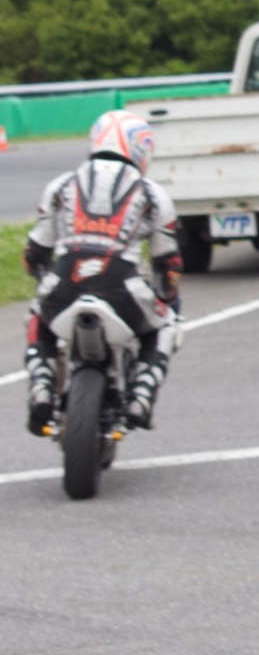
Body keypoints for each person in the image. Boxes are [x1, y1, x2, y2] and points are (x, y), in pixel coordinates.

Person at [22, 110, 183, 435]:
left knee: (37, 315)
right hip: (122, 287)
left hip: (65, 282)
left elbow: (34, 253)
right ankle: (142, 393)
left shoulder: (61, 185)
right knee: (168, 320)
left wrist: (43, 280)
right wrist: (167, 296)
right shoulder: (153, 194)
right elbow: (168, 264)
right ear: (141, 149)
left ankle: (41, 384)